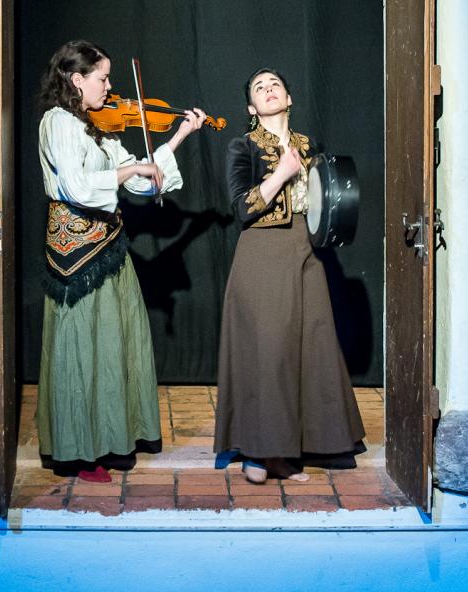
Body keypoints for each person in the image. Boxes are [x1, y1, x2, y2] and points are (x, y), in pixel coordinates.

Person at [36, 40, 206, 482]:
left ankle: (111, 437)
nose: (110, 87)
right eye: (103, 78)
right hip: (75, 255)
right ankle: (79, 451)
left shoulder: (99, 126)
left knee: (114, 344)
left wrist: (179, 136)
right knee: (82, 347)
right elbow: (76, 187)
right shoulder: (59, 122)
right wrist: (129, 171)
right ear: (77, 80)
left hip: (108, 245)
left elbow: (142, 182)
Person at [214, 68, 365, 483]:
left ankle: (300, 447)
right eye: (259, 88)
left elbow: (327, 199)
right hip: (262, 251)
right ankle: (262, 451)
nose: (268, 90)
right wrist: (281, 173)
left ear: (289, 98)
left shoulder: (309, 145)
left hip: (306, 249)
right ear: (251, 107)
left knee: (311, 346)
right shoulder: (242, 146)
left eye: (275, 85)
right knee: (270, 350)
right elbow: (241, 208)